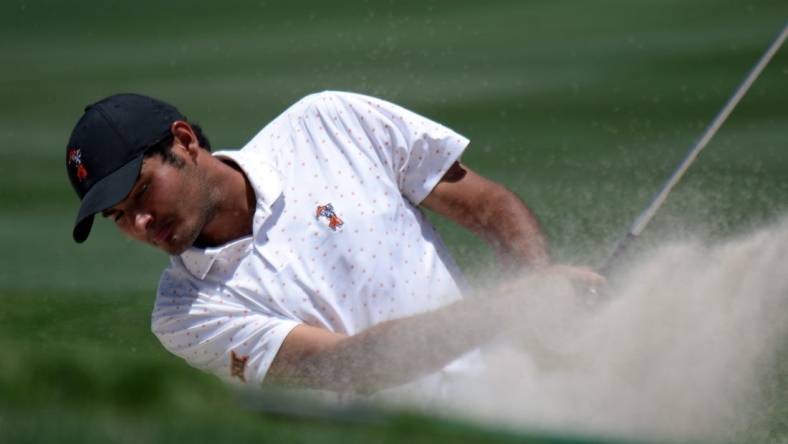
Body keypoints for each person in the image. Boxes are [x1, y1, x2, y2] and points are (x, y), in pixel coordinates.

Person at [66, 91, 602, 395]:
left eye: (141, 192)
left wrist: (542, 298)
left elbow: (488, 207)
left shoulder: (327, 122)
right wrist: (515, 306)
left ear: (184, 142)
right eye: (118, 216)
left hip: (526, 397)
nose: (138, 223)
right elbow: (350, 367)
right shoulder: (183, 315)